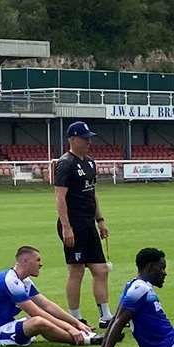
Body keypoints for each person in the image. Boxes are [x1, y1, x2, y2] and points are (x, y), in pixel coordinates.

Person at [0, 245, 101, 347]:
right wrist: (69, 328)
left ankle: (83, 333)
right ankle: (86, 340)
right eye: (37, 260)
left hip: (9, 324)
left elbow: (47, 305)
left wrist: (76, 323)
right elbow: (36, 312)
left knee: (41, 321)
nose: (41, 264)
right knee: (38, 322)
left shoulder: (24, 281)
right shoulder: (11, 281)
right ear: (25, 261)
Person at [53, 121, 113, 327]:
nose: (88, 141)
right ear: (72, 139)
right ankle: (75, 317)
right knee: (76, 270)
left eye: (89, 138)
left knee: (101, 269)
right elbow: (60, 197)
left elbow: (92, 193)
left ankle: (106, 316)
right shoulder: (65, 163)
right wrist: (66, 227)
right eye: (84, 138)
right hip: (73, 224)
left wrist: (100, 220)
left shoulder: (90, 162)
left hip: (88, 223)